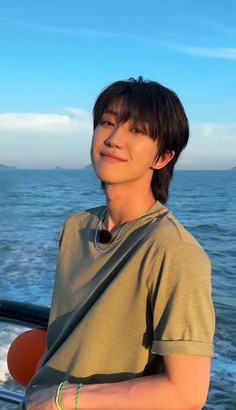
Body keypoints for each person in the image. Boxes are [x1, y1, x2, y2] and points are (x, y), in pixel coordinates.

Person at [22, 77, 215, 410]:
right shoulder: (75, 227)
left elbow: (187, 393)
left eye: (137, 131)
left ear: (163, 157)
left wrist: (64, 399)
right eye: (107, 122)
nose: (113, 139)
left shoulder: (174, 251)